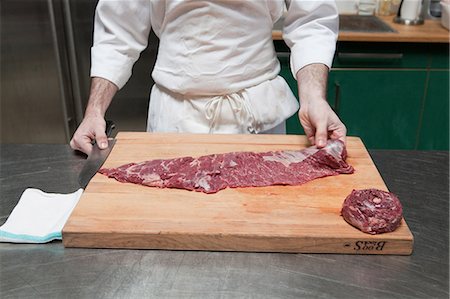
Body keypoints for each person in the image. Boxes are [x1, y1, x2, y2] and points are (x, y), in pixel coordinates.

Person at [70, 0, 346, 155]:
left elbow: (312, 20)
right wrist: (94, 111)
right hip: (175, 119)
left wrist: (313, 97)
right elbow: (119, 30)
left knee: (261, 219)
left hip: (257, 116)